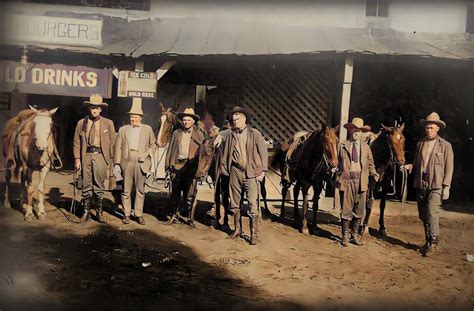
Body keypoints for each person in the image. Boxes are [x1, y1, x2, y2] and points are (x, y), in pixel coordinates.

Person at [405, 112, 454, 257]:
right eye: (427, 128)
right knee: (423, 213)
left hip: (437, 184)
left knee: (433, 212)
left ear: (438, 128)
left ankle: (433, 243)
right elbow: (416, 161)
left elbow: (449, 168)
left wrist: (447, 187)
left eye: (432, 128)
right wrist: (410, 166)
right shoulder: (420, 144)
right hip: (421, 183)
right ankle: (427, 240)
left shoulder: (445, 146)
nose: (429, 130)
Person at [220, 106, 268, 245]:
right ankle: (237, 230)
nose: (235, 122)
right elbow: (220, 138)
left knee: (253, 202)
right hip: (235, 171)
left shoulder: (255, 133)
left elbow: (263, 153)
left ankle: (254, 234)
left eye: (238, 119)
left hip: (251, 173)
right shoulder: (230, 134)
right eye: (233, 120)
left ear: (245, 119)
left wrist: (263, 171)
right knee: (235, 202)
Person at [335, 117, 379, 247]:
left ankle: (355, 235)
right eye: (354, 129)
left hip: (361, 181)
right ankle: (345, 236)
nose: (356, 132)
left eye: (359, 130)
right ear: (349, 130)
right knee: (346, 209)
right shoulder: (342, 146)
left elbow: (371, 163)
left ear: (361, 132)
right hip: (347, 181)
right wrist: (335, 171)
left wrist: (374, 173)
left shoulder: (366, 147)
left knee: (359, 210)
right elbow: (335, 161)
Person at [73, 94, 115, 223]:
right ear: (89, 109)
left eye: (97, 108)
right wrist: (77, 159)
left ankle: (99, 211)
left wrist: (111, 161)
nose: (94, 110)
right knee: (86, 184)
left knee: (99, 184)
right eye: (92, 108)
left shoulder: (108, 123)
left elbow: (113, 142)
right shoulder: (82, 123)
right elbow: (76, 142)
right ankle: (86, 211)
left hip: (101, 156)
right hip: (86, 156)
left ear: (101, 109)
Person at [114, 99, 156, 225]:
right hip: (127, 161)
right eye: (132, 116)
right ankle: (126, 214)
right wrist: (116, 163)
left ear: (141, 118)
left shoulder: (147, 129)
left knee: (140, 190)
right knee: (126, 190)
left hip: (141, 161)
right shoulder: (123, 129)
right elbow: (118, 147)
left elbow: (153, 145)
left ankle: (138, 214)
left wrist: (146, 154)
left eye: (136, 117)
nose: (133, 119)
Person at [165, 108, 206, 227]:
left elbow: (204, 152)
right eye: (184, 120)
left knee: (190, 193)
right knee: (175, 192)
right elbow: (170, 149)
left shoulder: (199, 133)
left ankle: (189, 217)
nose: (186, 122)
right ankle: (173, 215)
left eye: (188, 120)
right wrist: (168, 165)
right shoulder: (176, 133)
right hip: (177, 165)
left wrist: (201, 169)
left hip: (191, 167)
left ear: (193, 121)